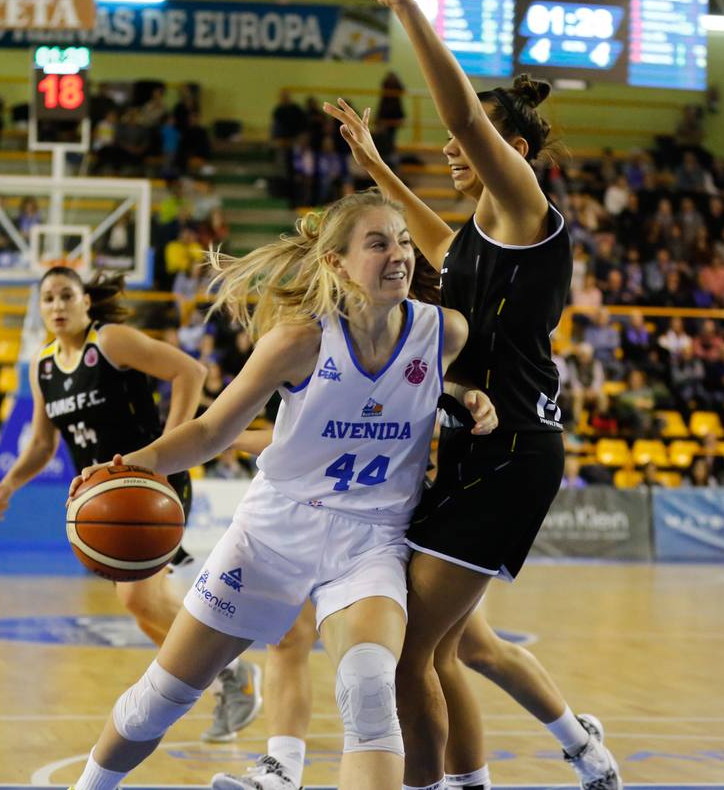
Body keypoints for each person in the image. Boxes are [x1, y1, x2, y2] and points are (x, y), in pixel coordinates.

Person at [317, 0, 621, 790]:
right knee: (455, 647)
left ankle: (446, 783)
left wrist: (406, 8)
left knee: (412, 649)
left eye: (474, 141)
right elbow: (430, 238)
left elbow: (456, 108)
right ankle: (525, 764)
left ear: (511, 152)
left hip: (515, 448)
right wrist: (375, 164)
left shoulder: (529, 213)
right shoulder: (477, 245)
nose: (455, 146)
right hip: (472, 446)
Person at [63, 191, 495, 790]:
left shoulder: (443, 332)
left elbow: (457, 382)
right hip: (273, 532)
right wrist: (130, 464)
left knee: (371, 693)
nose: (399, 254)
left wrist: (470, 395)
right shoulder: (299, 341)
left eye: (402, 239)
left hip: (372, 541)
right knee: (162, 695)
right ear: (337, 264)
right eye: (378, 243)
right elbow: (213, 429)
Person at [0, 267, 262, 740]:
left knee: (138, 597)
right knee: (143, 608)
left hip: (150, 486)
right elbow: (43, 445)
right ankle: (227, 677)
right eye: (48, 298)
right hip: (105, 501)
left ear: (85, 302)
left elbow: (189, 371)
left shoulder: (108, 342)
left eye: (66, 296)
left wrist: (171, 447)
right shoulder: (43, 366)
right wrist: (9, 483)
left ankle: (234, 673)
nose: (56, 306)